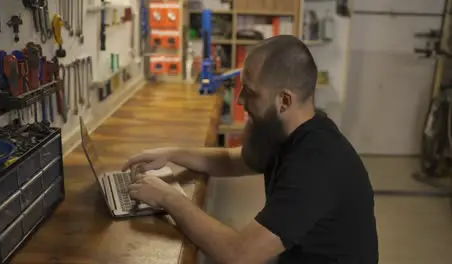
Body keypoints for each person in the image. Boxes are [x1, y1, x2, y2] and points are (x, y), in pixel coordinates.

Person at [122, 35, 379, 264]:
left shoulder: (316, 164)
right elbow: (234, 160)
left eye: (251, 92)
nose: (240, 99)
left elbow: (238, 254)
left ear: (284, 100)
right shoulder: (294, 128)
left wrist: (168, 198)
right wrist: (172, 154)